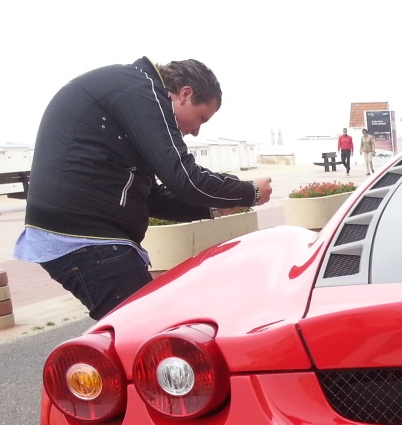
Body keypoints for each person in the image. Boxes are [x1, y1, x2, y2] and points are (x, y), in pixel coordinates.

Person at [15, 57, 272, 320]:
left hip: (78, 234)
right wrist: (249, 191)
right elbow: (185, 178)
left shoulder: (131, 96)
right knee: (149, 332)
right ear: (185, 94)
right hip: (86, 238)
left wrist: (217, 206)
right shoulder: (142, 90)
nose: (195, 131)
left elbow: (152, 198)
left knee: (141, 333)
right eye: (201, 118)